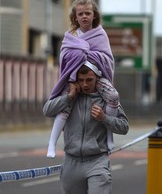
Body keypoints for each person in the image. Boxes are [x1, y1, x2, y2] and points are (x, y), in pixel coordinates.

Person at [46, 0, 119, 158]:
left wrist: (84, 52)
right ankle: (52, 143)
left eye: (88, 13)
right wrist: (80, 54)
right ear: (76, 17)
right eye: (81, 14)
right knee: (65, 107)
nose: (84, 16)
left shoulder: (101, 34)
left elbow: (106, 58)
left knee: (113, 96)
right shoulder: (71, 36)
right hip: (73, 78)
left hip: (97, 78)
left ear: (94, 15)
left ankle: (109, 135)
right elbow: (65, 57)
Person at [43, 63, 129, 194]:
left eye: (89, 80)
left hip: (97, 161)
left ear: (97, 79)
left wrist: (104, 118)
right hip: (71, 162)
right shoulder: (70, 97)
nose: (85, 85)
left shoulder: (107, 98)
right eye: (81, 80)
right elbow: (47, 111)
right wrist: (69, 97)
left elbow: (124, 127)